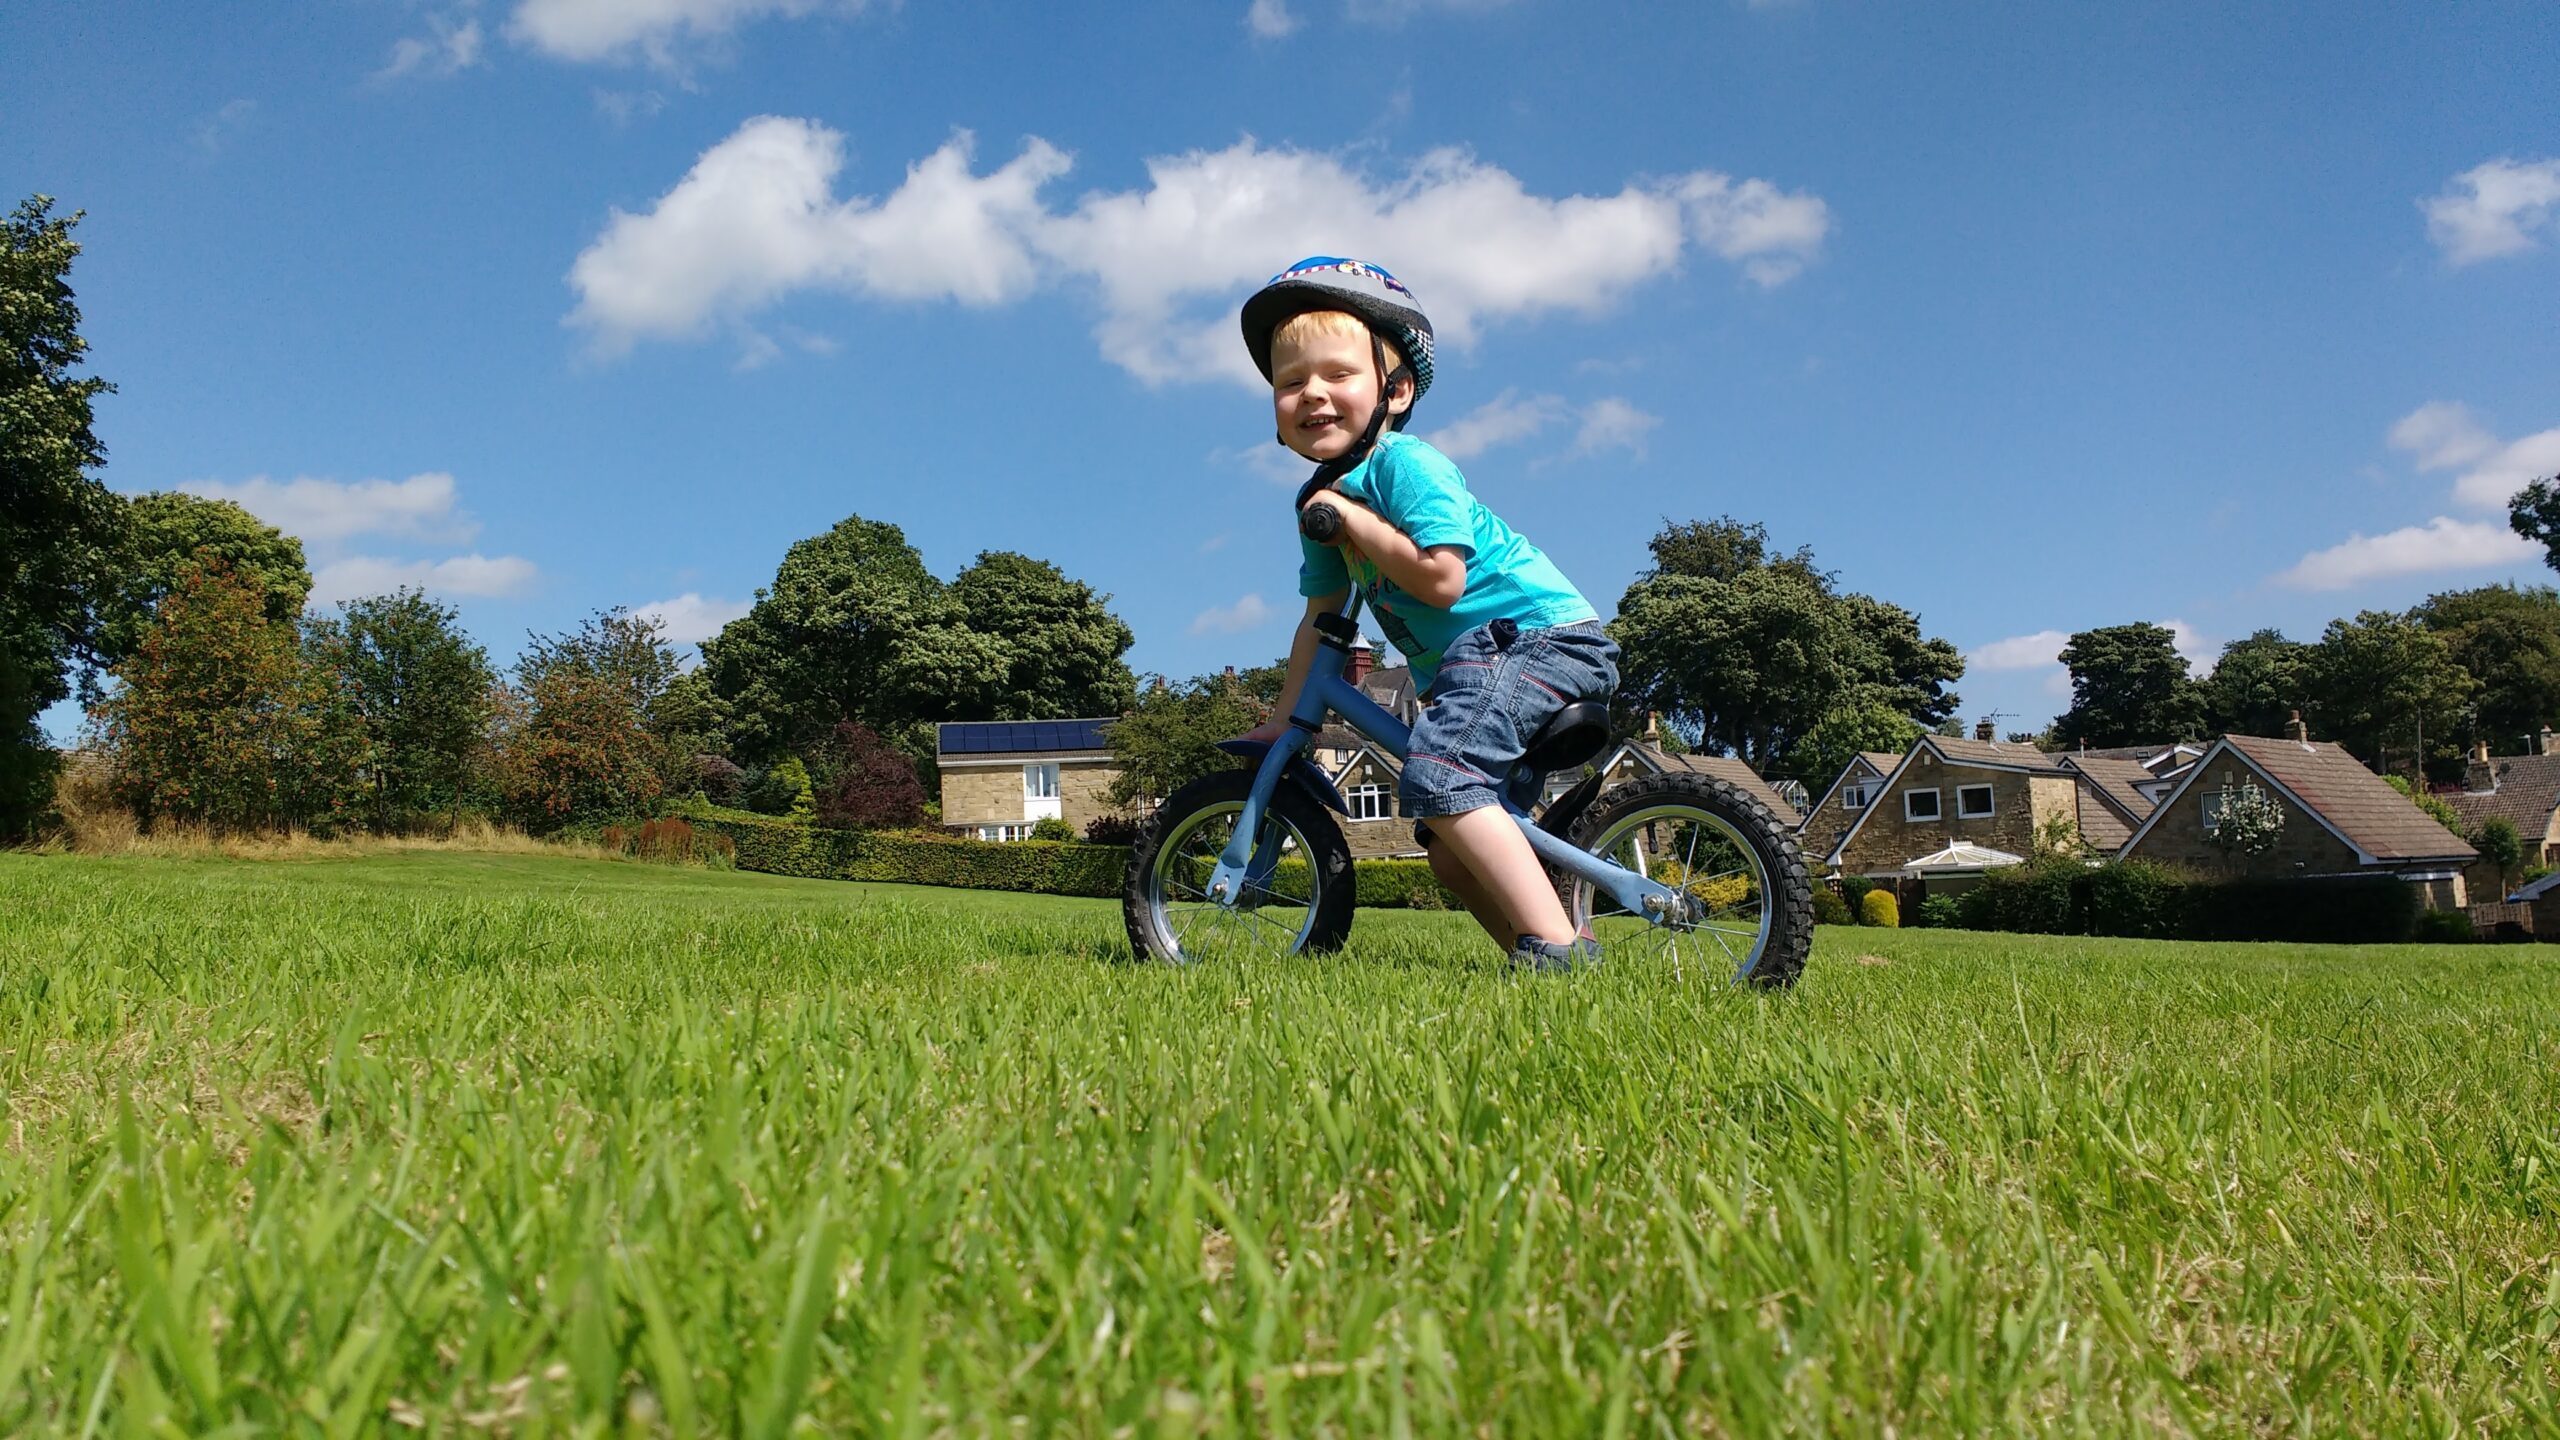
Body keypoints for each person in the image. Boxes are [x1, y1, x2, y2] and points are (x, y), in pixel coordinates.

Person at [1232, 257, 1620, 973]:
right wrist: (1286, 718)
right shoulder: (1323, 502)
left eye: (1338, 375)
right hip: (1480, 663)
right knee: (1448, 848)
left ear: (1397, 390)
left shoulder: (1405, 467)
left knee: (1440, 777)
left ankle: (1560, 952)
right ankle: (1543, 969)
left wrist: (1348, 517)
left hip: (1538, 640)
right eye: (1290, 383)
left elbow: (1442, 581)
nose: (1312, 393)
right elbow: (1322, 620)